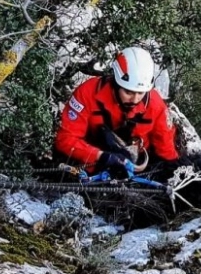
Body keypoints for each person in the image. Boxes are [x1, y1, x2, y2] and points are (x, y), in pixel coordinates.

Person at [54, 46, 182, 177]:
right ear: (116, 83)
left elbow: (166, 149)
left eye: (140, 93)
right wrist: (101, 156)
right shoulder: (87, 93)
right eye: (128, 92)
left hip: (136, 168)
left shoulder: (156, 105)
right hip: (92, 164)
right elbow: (65, 139)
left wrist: (174, 172)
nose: (135, 99)